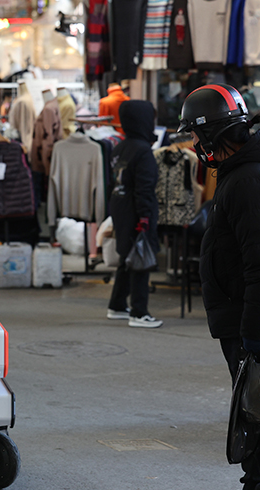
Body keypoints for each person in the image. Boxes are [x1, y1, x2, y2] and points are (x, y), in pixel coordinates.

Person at [179, 83, 260, 490]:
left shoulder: (252, 179)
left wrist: (256, 338)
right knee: (256, 415)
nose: (194, 144)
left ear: (214, 133)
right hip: (258, 320)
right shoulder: (245, 172)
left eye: (196, 135)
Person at [106, 100, 163, 329]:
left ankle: (117, 305)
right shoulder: (143, 151)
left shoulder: (120, 147)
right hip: (138, 211)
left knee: (127, 258)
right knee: (141, 259)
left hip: (120, 208)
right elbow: (144, 189)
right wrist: (146, 218)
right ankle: (139, 312)